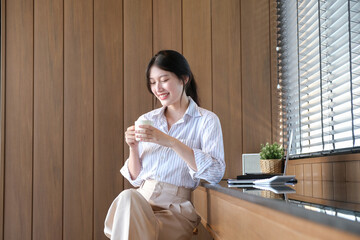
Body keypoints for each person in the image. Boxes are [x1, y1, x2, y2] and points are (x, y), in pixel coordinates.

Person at [104, 50, 225, 240]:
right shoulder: (147, 119)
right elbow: (135, 178)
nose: (157, 87)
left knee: (128, 219)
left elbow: (215, 173)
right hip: (142, 201)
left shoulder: (206, 120)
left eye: (163, 79)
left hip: (175, 210)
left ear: (184, 79)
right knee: (128, 197)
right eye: (152, 82)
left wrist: (170, 141)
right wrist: (133, 147)